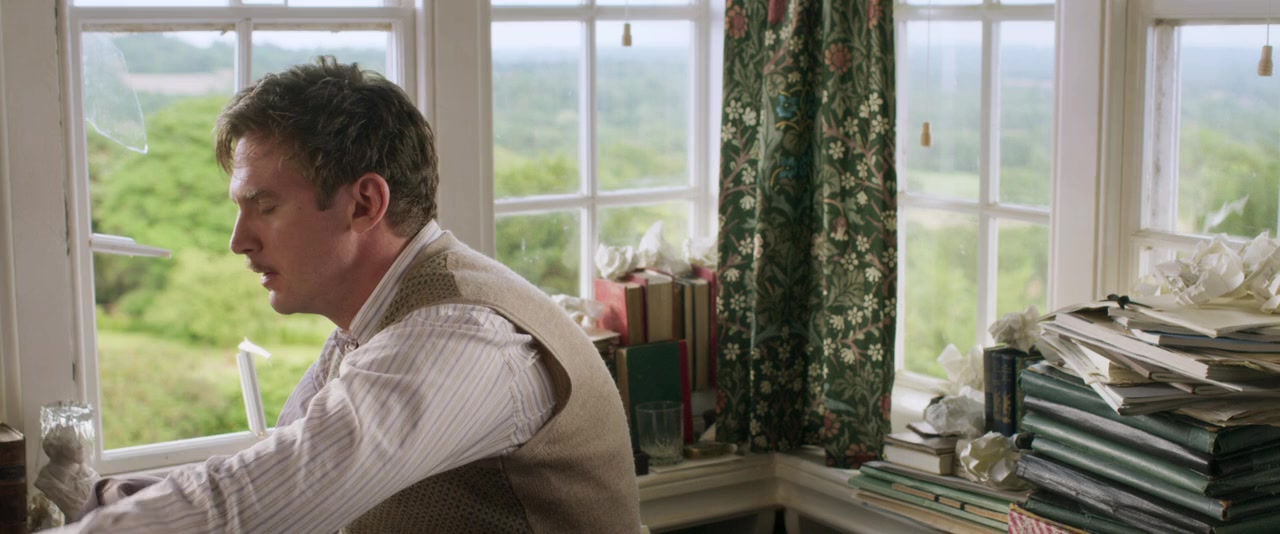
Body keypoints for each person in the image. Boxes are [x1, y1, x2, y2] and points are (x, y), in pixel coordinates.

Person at [60, 57, 640, 533]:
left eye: (265, 207)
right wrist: (112, 494)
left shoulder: (459, 337)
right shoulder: (371, 322)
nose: (239, 242)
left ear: (365, 204)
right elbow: (280, 465)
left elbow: (250, 507)